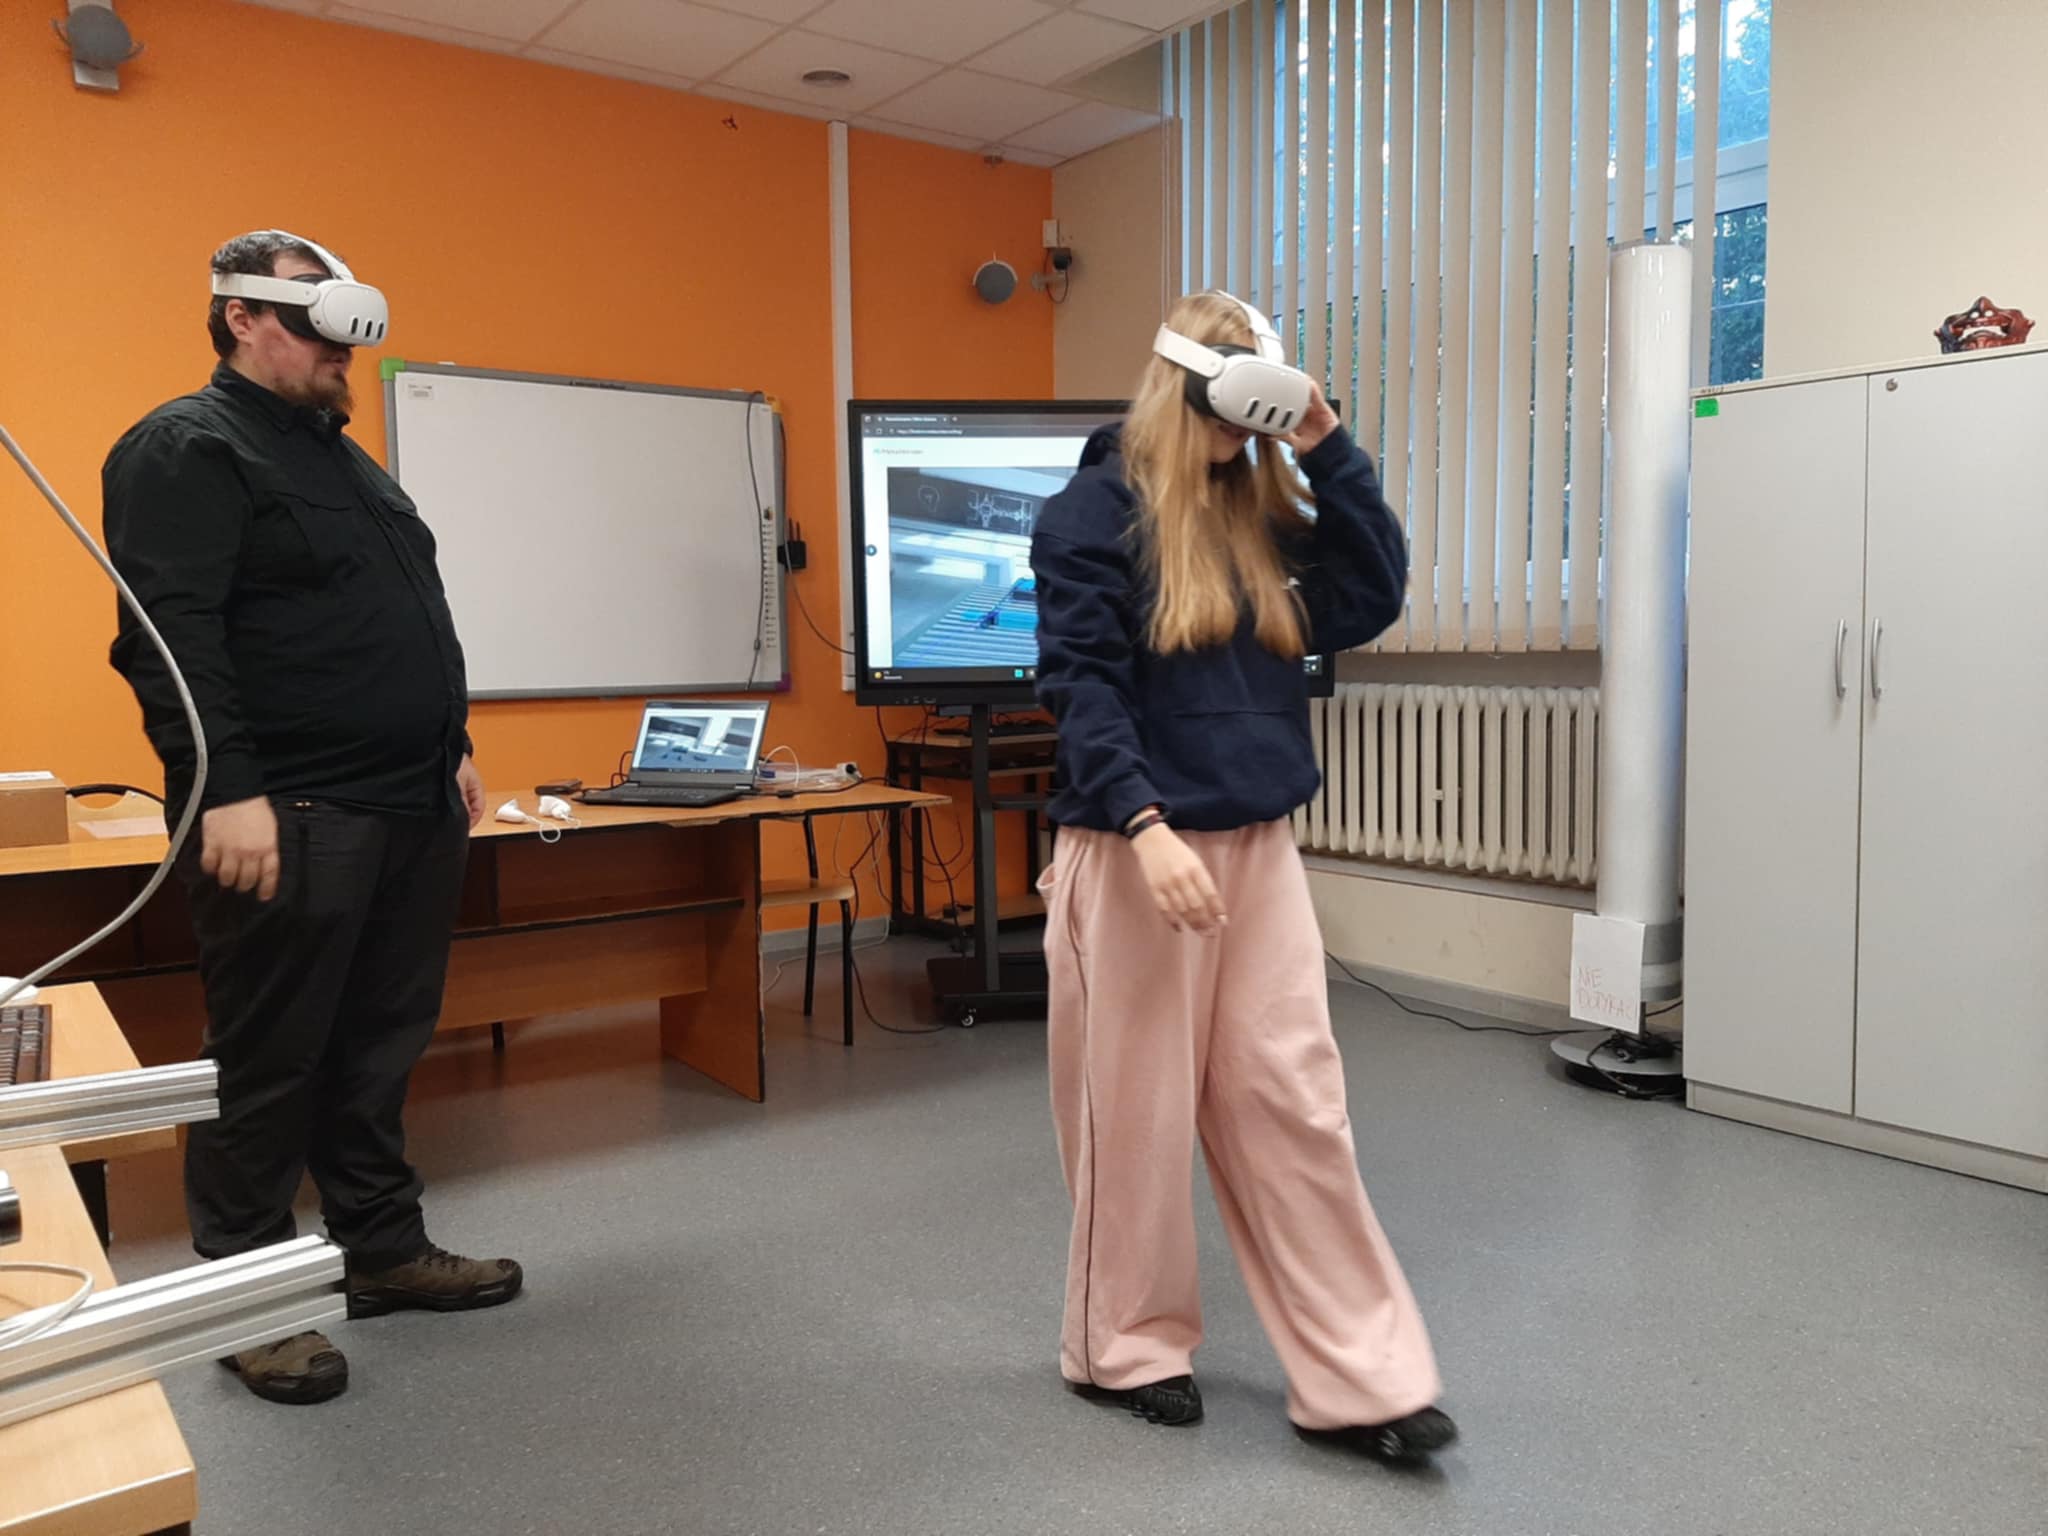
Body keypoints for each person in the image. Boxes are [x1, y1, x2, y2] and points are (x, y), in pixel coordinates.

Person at [1029, 290, 1455, 1464]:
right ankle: (1123, 1347)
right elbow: (1078, 681)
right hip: (1135, 853)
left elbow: (1369, 594)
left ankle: (1360, 1380)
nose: (1237, 428)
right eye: (1226, 402)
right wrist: (1143, 823)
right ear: (1179, 386)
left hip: (1258, 850)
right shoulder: (1089, 514)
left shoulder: (1257, 514)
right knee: (1135, 1119)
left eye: (1256, 404)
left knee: (1294, 1107)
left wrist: (1324, 445)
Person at [103, 230, 521, 1405]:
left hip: (408, 803)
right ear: (240, 318)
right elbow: (170, 640)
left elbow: (397, 619)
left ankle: (378, 1248)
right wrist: (225, 788)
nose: (342, 352)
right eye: (313, 323)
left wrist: (452, 744)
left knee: (379, 1043)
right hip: (287, 808)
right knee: (267, 1059)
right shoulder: (186, 448)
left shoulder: (349, 463)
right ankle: (246, 1300)